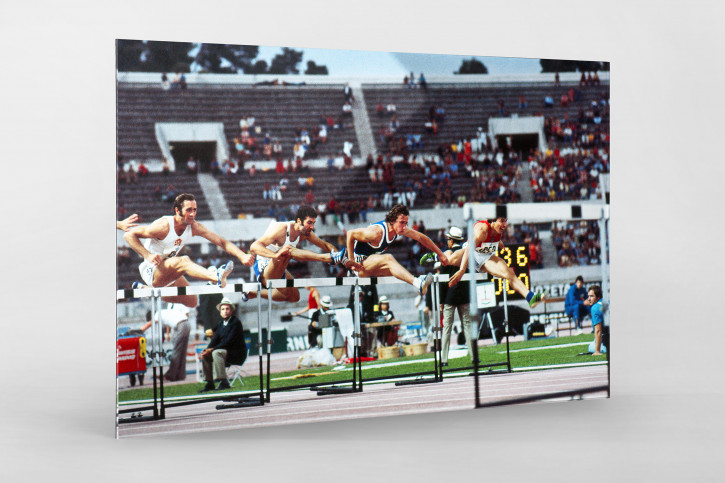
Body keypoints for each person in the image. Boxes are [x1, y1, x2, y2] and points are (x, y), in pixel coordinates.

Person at [123, 193, 255, 308]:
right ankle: (216, 277)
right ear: (177, 210)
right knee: (184, 260)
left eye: (195, 210)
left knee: (192, 301)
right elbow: (129, 235)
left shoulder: (194, 226)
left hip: (170, 269)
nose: (192, 214)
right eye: (188, 210)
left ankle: (148, 291)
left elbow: (221, 242)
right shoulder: (163, 226)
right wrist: (148, 255)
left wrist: (242, 255)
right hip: (152, 270)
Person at [433, 217, 546, 308]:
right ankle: (435, 255)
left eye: (505, 221)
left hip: (485, 257)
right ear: (492, 221)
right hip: (471, 253)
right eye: (502, 221)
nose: (505, 225)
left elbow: (492, 238)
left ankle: (530, 297)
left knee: (509, 274)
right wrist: (462, 270)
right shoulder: (482, 230)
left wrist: (499, 242)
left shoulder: (497, 230)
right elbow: (469, 249)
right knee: (448, 260)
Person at [340, 204, 448, 296]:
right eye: (402, 222)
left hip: (371, 265)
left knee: (397, 271)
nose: (404, 227)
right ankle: (418, 283)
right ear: (392, 220)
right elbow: (350, 234)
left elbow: (421, 237)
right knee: (388, 258)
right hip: (359, 266)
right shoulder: (376, 233)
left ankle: (418, 284)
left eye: (406, 223)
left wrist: (440, 254)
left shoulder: (399, 229)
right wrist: (352, 261)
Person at [248, 205, 345, 302]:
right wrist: (275, 255)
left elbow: (325, 245)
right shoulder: (281, 228)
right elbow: (254, 246)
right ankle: (327, 258)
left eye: (313, 223)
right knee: (287, 249)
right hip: (265, 269)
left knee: (294, 297)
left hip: (279, 266)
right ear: (299, 221)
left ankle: (255, 293)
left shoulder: (305, 233)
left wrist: (344, 260)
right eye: (309, 223)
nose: (312, 227)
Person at [424, 227, 476, 367]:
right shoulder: (466, 253)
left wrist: (440, 301)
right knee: (468, 327)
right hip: (464, 295)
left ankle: (444, 359)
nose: (447, 241)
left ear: (452, 240)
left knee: (446, 328)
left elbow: (442, 281)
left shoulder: (446, 256)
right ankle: (474, 357)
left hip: (450, 297)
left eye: (448, 239)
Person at [199, 298, 247, 392]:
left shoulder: (235, 322)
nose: (225, 311)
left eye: (227, 309)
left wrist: (212, 349)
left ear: (231, 311)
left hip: (236, 353)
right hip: (225, 353)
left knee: (216, 352)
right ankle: (209, 383)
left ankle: (224, 382)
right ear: (220, 311)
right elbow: (215, 339)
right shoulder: (221, 324)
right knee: (205, 355)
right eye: (223, 309)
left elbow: (228, 341)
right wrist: (207, 349)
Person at [140, 304, 191, 382]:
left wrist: (139, 331)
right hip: (186, 323)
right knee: (182, 352)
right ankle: (180, 375)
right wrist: (164, 336)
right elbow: (165, 327)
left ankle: (170, 376)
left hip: (181, 325)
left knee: (176, 352)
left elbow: (149, 324)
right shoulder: (163, 313)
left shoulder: (157, 315)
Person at [584, 285, 607, 355]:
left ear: (598, 297)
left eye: (591, 296)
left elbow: (598, 331)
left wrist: (597, 351)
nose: (589, 299)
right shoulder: (607, 302)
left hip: (607, 340)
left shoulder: (595, 308)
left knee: (591, 347)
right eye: (588, 296)